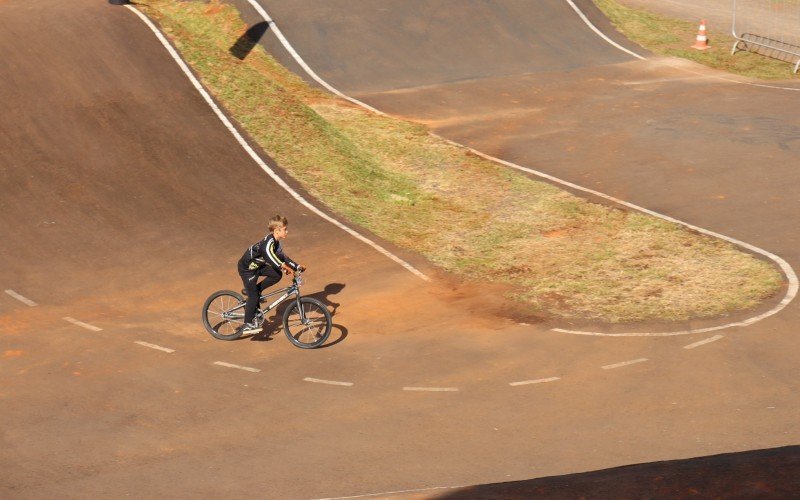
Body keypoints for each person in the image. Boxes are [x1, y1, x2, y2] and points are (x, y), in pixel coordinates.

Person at [238, 215, 304, 333]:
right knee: (253, 297)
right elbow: (270, 257)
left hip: (258, 267)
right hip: (247, 269)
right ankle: (247, 323)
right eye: (285, 229)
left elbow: (282, 257)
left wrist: (297, 266)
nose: (287, 231)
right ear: (277, 230)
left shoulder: (276, 243)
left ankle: (254, 290)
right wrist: (283, 266)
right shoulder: (267, 243)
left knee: (276, 275)